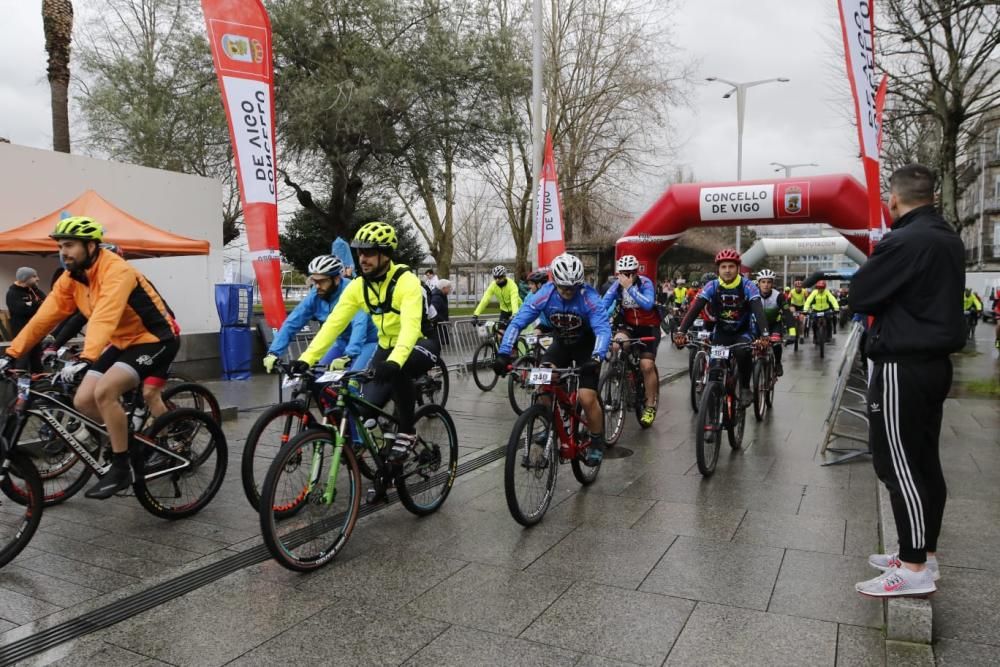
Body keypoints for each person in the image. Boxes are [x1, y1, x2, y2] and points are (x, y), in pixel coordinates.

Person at [0, 217, 179, 499]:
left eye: (69, 245)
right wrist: (12, 354)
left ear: (91, 245)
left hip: (155, 339)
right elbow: (45, 317)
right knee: (83, 400)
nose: (63, 252)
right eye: (60, 246)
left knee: (106, 391)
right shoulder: (73, 279)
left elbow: (105, 315)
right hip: (122, 342)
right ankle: (129, 443)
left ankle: (122, 466)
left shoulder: (116, 270)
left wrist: (87, 355)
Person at [850, 164, 965, 598]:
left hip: (903, 363)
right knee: (924, 461)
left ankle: (913, 565)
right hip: (932, 363)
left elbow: (862, 294)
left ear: (893, 200)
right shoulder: (946, 237)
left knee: (898, 464)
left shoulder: (903, 239)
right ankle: (923, 553)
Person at [291, 222, 440, 465]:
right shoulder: (359, 286)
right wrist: (307, 358)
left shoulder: (406, 281)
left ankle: (407, 432)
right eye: (360, 252)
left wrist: (394, 360)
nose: (362, 258)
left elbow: (411, 328)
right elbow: (333, 324)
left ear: (386, 254)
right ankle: (383, 461)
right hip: (386, 347)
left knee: (398, 370)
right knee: (363, 409)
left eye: (369, 252)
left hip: (421, 343)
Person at [492, 253, 611, 465]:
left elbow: (602, 329)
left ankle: (596, 439)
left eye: (572, 287)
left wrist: (597, 357)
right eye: (563, 287)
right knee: (543, 382)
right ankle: (550, 422)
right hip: (561, 344)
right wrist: (503, 353)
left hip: (587, 347)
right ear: (554, 282)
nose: (568, 292)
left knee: (586, 397)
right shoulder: (544, 294)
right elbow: (518, 322)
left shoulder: (588, 297)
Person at [672, 249, 770, 405]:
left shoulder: (748, 285)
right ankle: (711, 412)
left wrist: (765, 334)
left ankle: (745, 387)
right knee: (714, 370)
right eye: (723, 267)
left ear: (738, 268)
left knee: (741, 352)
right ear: (718, 269)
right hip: (722, 332)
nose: (727, 270)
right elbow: (695, 308)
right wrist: (681, 331)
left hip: (743, 331)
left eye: (731, 266)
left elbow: (758, 310)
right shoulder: (712, 285)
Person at [262, 255, 378, 373]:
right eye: (314, 281)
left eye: (322, 281)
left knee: (353, 380)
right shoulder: (316, 294)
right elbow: (292, 322)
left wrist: (349, 355)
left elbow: (360, 324)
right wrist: (273, 352)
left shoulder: (352, 290)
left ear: (336, 279)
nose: (317, 286)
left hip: (368, 342)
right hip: (341, 343)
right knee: (317, 378)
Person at [601, 254, 661, 426]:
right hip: (628, 326)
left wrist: (630, 288)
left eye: (630, 273)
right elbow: (603, 305)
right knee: (615, 346)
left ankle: (650, 406)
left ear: (636, 273)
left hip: (648, 326)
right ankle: (624, 377)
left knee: (646, 366)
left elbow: (648, 304)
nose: (626, 277)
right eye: (623, 273)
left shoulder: (645, 283)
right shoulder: (616, 285)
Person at [5, 267, 46, 372]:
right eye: (34, 276)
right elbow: (22, 310)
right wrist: (36, 304)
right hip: (21, 336)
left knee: (37, 363)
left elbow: (46, 303)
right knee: (21, 364)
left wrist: (32, 304)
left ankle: (38, 386)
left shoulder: (34, 290)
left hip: (35, 334)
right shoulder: (13, 293)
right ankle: (20, 387)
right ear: (25, 278)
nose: (38, 279)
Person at [754, 269, 789, 376]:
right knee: (750, 345)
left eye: (769, 282)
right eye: (763, 282)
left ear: (772, 284)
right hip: (757, 324)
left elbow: (788, 313)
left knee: (776, 344)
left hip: (774, 324)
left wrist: (792, 332)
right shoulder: (753, 295)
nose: (766, 285)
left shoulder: (779, 296)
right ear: (758, 283)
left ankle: (778, 363)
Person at [472, 265, 522, 331]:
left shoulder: (512, 285)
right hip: (504, 311)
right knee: (500, 333)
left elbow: (514, 300)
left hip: (517, 309)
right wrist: (475, 314)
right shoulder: (493, 285)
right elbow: (485, 300)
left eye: (500, 277)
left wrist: (514, 314)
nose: (497, 280)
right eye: (495, 277)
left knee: (513, 332)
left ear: (504, 276)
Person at [430, 279, 451, 346]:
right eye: (449, 288)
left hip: (442, 325)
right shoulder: (436, 298)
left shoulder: (442, 296)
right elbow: (433, 312)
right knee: (440, 345)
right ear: (443, 288)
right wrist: (442, 321)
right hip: (439, 327)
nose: (450, 289)